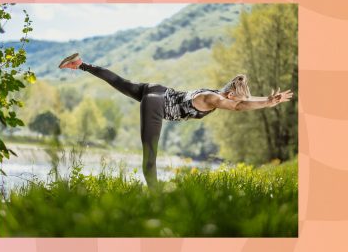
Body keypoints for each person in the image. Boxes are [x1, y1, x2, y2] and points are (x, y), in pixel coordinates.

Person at [59, 53, 293, 188]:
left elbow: (241, 102)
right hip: (156, 104)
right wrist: (269, 101)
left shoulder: (213, 92)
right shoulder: (214, 98)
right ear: (230, 95)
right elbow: (241, 106)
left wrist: (267, 99)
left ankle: (81, 64)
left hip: (157, 90)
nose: (234, 106)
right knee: (149, 157)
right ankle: (154, 197)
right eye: (235, 100)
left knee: (121, 83)